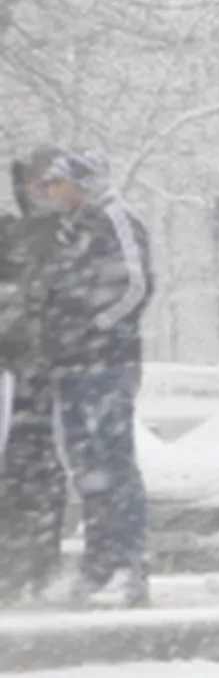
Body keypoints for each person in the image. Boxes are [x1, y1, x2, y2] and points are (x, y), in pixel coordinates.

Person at [24, 145, 153, 606]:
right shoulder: (71, 230)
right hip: (74, 366)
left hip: (106, 363)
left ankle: (129, 563)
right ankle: (100, 564)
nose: (51, 191)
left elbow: (135, 285)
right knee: (88, 469)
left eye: (59, 182)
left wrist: (95, 329)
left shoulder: (115, 219)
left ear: (83, 183)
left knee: (112, 463)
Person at [0, 156, 65, 602]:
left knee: (40, 467)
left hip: (46, 367)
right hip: (15, 366)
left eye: (40, 180)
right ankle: (15, 563)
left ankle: (37, 562)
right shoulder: (11, 233)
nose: (32, 189)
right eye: (25, 181)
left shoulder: (67, 233)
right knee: (15, 468)